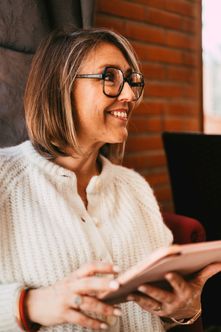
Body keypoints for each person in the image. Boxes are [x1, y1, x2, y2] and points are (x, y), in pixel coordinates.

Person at [0, 27, 220, 332]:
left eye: (131, 81)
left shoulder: (135, 188)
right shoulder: (4, 180)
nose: (129, 95)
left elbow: (166, 305)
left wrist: (182, 309)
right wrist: (29, 306)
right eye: (110, 77)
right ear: (59, 86)